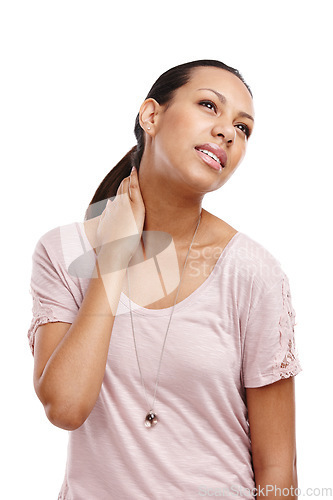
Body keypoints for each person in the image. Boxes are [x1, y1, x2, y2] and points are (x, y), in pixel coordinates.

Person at [27, 60, 302, 499]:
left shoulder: (253, 273)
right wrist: (113, 257)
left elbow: (277, 466)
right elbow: (66, 406)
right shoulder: (62, 253)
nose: (228, 132)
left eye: (243, 128)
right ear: (151, 115)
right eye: (209, 105)